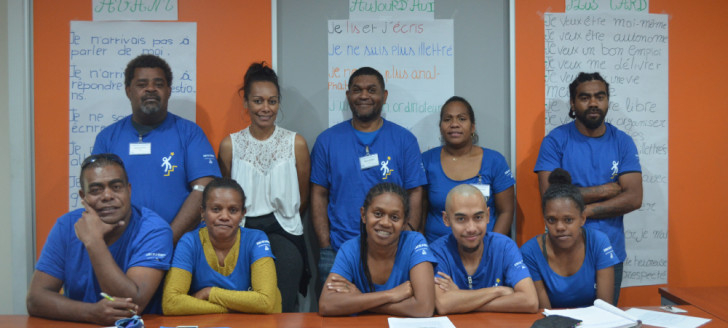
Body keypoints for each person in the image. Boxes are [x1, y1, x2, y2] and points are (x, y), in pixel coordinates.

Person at [311, 67, 427, 289]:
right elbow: (319, 193)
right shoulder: (327, 141)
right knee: (336, 317)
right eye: (357, 90)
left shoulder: (405, 140)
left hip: (394, 249)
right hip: (338, 250)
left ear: (384, 96)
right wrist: (325, 244)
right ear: (348, 96)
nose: (364, 95)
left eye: (371, 90)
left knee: (393, 315)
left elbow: (415, 191)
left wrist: (408, 233)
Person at [534, 72, 642, 304]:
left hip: (609, 252)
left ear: (607, 101)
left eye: (599, 96)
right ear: (573, 103)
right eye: (584, 97)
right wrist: (605, 190)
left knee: (604, 321)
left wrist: (581, 210)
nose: (593, 103)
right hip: (562, 251)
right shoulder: (555, 141)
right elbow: (549, 196)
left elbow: (633, 198)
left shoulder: (622, 141)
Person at [27, 154, 173, 325]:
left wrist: (94, 242)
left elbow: (132, 305)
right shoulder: (67, 226)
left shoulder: (153, 229)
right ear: (84, 197)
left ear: (129, 190)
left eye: (116, 187)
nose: (107, 196)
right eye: (96, 190)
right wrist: (91, 313)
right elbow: (35, 299)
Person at [92, 54, 221, 243]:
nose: (150, 89)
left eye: (158, 84)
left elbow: (205, 187)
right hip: (122, 245)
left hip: (180, 245)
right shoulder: (107, 138)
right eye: (142, 84)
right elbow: (98, 194)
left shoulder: (189, 133)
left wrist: (167, 239)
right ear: (128, 91)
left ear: (168, 90)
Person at [217, 62, 310, 312]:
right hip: (240, 234)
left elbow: (303, 197)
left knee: (284, 307)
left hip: (286, 232)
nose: (266, 108)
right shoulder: (230, 146)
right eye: (258, 101)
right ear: (246, 102)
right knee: (243, 310)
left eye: (272, 101)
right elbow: (224, 197)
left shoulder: (296, 144)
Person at [162, 177, 281, 314]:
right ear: (202, 212)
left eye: (233, 210)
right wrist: (228, 309)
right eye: (216, 209)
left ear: (243, 214)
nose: (224, 216)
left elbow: (265, 301)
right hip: (214, 321)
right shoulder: (189, 242)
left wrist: (209, 293)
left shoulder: (256, 239)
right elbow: (171, 302)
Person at [318, 183, 435, 317]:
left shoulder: (415, 243)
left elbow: (424, 308)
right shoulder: (349, 249)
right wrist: (390, 295)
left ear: (404, 223)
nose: (385, 223)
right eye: (378, 214)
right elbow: (326, 304)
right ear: (363, 215)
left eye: (394, 217)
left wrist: (361, 300)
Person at [430, 184, 538, 315]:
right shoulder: (438, 252)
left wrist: (461, 300)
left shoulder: (504, 247)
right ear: (446, 219)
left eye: (478, 217)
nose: (471, 228)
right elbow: (443, 305)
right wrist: (497, 291)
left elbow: (530, 301)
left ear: (487, 215)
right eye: (461, 219)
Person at [521, 169, 620, 309]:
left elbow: (605, 307)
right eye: (551, 220)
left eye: (568, 220)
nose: (560, 227)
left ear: (582, 219)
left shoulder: (598, 242)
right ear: (544, 220)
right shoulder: (530, 252)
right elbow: (544, 313)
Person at [422, 96, 515, 243]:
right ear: (440, 127)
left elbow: (506, 211)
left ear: (472, 127)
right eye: (447, 119)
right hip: (437, 251)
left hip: (485, 252)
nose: (454, 124)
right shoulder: (426, 161)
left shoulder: (494, 161)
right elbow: (419, 211)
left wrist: (492, 249)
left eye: (462, 119)